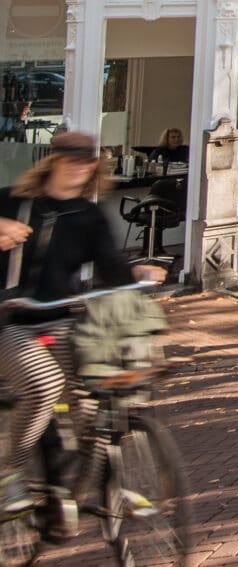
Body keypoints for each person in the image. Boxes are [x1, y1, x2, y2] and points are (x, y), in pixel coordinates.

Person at [0, 134, 165, 518]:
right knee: (43, 385)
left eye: (85, 162)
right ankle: (11, 474)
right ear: (52, 161)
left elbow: (112, 269)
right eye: (70, 159)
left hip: (62, 320)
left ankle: (94, 491)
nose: (78, 167)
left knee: (95, 406)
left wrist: (136, 271)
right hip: (9, 321)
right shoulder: (13, 201)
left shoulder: (88, 216)